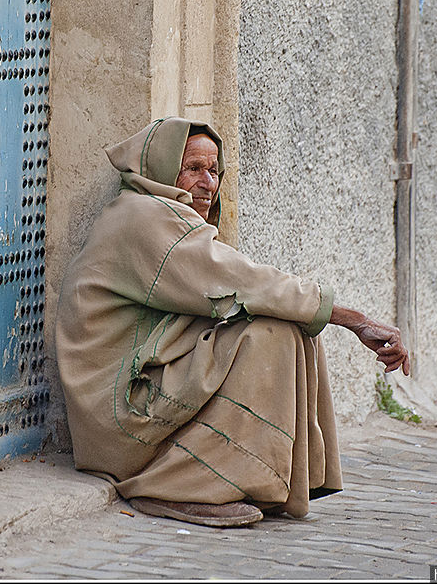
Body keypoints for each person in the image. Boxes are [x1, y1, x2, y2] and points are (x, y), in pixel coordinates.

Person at [54, 117, 409, 527]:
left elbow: (242, 288)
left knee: (290, 327)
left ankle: (254, 479)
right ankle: (176, 487)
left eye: (214, 171)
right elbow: (242, 280)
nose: (208, 183)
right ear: (164, 169)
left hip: (137, 386)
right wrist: (354, 320)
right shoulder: (141, 218)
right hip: (117, 418)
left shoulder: (161, 216)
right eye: (193, 169)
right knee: (273, 332)